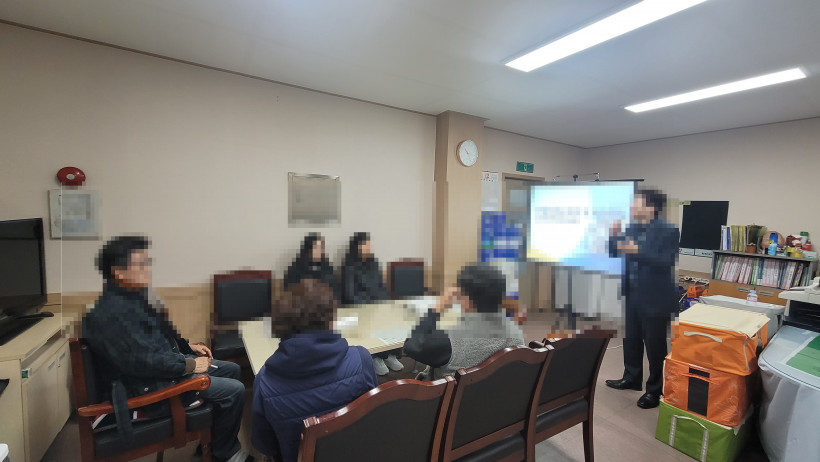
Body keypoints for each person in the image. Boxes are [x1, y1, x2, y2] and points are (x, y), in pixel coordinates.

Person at [82, 236, 253, 462]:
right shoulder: (110, 316)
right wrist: (190, 364)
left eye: (147, 262)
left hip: (159, 374)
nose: (148, 269)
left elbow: (162, 336)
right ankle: (226, 454)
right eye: (141, 264)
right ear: (119, 272)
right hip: (149, 390)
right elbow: (143, 361)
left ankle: (213, 443)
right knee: (235, 390)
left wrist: (188, 347)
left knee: (232, 370)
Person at [251, 279, 378, 462]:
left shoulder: (264, 382)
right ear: (329, 318)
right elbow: (372, 416)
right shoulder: (362, 359)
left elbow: (266, 446)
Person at [605, 188, 680, 409]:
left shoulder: (668, 230)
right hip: (632, 294)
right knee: (631, 340)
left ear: (651, 206)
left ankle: (655, 390)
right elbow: (615, 253)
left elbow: (666, 261)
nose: (631, 206)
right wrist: (613, 237)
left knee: (655, 347)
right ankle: (631, 377)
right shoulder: (631, 228)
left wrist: (635, 251)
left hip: (656, 298)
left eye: (636, 202)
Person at [404, 263, 525, 380]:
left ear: (467, 301)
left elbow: (412, 345)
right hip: (491, 390)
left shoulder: (451, 341)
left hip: (448, 393)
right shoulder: (514, 331)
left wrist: (437, 309)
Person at [340, 232, 403, 375]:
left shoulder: (373, 262)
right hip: (359, 308)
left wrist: (384, 304)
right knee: (369, 321)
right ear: (357, 246)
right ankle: (375, 357)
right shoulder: (349, 265)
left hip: (376, 304)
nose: (368, 247)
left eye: (369, 244)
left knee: (391, 317)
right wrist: (370, 306)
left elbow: (381, 286)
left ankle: (389, 355)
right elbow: (350, 294)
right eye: (365, 244)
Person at [283, 233, 338, 300]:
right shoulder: (297, 265)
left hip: (324, 302)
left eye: (322, 248)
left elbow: (335, 287)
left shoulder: (326, 265)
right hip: (302, 303)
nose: (321, 251)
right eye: (317, 248)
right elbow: (288, 287)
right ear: (309, 249)